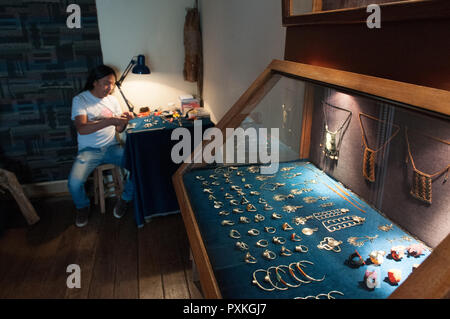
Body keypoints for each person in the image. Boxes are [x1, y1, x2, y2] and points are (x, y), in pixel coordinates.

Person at [68, 65, 134, 227]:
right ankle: (82, 206)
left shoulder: (112, 100)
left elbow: (119, 129)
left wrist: (123, 120)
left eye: (112, 84)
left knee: (139, 165)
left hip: (111, 147)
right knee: (74, 183)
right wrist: (110, 120)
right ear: (95, 82)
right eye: (106, 83)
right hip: (88, 151)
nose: (110, 88)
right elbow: (82, 128)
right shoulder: (80, 100)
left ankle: (125, 199)